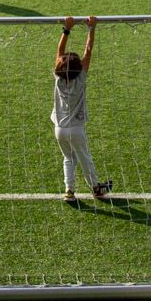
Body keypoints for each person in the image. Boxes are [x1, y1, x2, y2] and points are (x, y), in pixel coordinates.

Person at [52, 16, 111, 203]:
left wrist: (66, 29)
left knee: (68, 158)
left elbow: (59, 52)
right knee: (85, 158)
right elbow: (88, 50)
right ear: (79, 68)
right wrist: (91, 28)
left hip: (59, 129)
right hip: (76, 128)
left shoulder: (58, 78)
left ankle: (69, 190)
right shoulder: (81, 78)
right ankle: (95, 188)